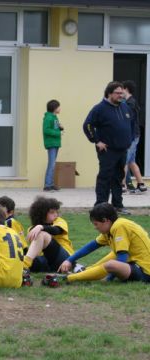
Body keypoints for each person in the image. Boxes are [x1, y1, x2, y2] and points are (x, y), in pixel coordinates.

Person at [56, 203, 150, 284]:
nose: (95, 227)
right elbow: (90, 247)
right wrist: (69, 260)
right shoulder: (110, 228)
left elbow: (121, 258)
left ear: (106, 221)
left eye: (96, 224)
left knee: (111, 264)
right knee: (113, 254)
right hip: (134, 264)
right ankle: (86, 271)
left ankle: (70, 278)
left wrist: (109, 277)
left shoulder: (119, 226)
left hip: (145, 272)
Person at [83, 81, 134, 213]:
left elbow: (131, 124)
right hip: (107, 150)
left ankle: (117, 205)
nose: (120, 95)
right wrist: (96, 141)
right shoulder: (99, 108)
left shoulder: (124, 107)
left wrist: (130, 140)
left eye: (122, 93)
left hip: (122, 149)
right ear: (109, 93)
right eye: (117, 93)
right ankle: (101, 206)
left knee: (118, 178)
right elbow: (88, 125)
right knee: (105, 177)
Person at [23, 196, 74, 273]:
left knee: (42, 234)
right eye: (52, 212)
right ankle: (20, 267)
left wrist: (41, 227)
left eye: (56, 212)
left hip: (65, 259)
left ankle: (25, 265)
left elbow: (56, 230)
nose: (56, 214)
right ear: (42, 213)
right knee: (19, 258)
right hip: (47, 261)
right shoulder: (33, 229)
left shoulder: (59, 221)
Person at [122, 80, 147, 194]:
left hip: (132, 136)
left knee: (125, 160)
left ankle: (122, 186)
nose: (119, 92)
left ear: (126, 89)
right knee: (131, 161)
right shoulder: (130, 102)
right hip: (134, 135)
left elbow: (128, 120)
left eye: (121, 89)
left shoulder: (130, 103)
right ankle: (141, 185)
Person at [42, 99, 63, 191]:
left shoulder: (54, 117)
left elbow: (54, 128)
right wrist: (58, 133)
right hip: (51, 143)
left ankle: (51, 184)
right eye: (58, 106)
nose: (60, 108)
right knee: (51, 164)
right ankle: (47, 185)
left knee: (52, 164)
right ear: (54, 108)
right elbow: (46, 130)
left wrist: (60, 128)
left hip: (55, 143)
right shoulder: (48, 118)